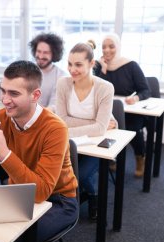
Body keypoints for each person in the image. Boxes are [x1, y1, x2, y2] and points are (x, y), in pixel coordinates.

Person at [0, 60, 78, 242]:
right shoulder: (0, 118)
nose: (4, 99)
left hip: (58, 201)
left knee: (8, 241)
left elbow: (41, 192)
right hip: (16, 194)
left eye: (14, 93)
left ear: (35, 95)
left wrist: (3, 153)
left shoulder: (55, 128)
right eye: (3, 91)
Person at [56, 41, 116, 220]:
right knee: (61, 173)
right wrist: (93, 122)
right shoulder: (63, 84)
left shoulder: (105, 88)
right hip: (75, 141)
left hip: (98, 143)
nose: (72, 69)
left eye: (78, 64)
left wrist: (68, 127)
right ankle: (90, 194)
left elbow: (99, 129)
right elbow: (61, 120)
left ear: (91, 64)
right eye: (69, 64)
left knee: (78, 175)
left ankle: (93, 196)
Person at [94, 33, 151, 177]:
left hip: (130, 111)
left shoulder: (130, 65)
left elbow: (145, 90)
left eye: (111, 46)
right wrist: (104, 69)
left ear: (118, 47)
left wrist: (137, 98)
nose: (107, 50)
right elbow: (96, 89)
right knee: (102, 128)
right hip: (107, 110)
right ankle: (111, 158)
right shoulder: (99, 66)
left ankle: (140, 157)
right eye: (104, 47)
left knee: (133, 129)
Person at [29, 32, 67, 112]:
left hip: (44, 119)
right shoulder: (27, 70)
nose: (41, 56)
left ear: (54, 54)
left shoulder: (61, 77)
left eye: (45, 53)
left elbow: (54, 106)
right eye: (38, 51)